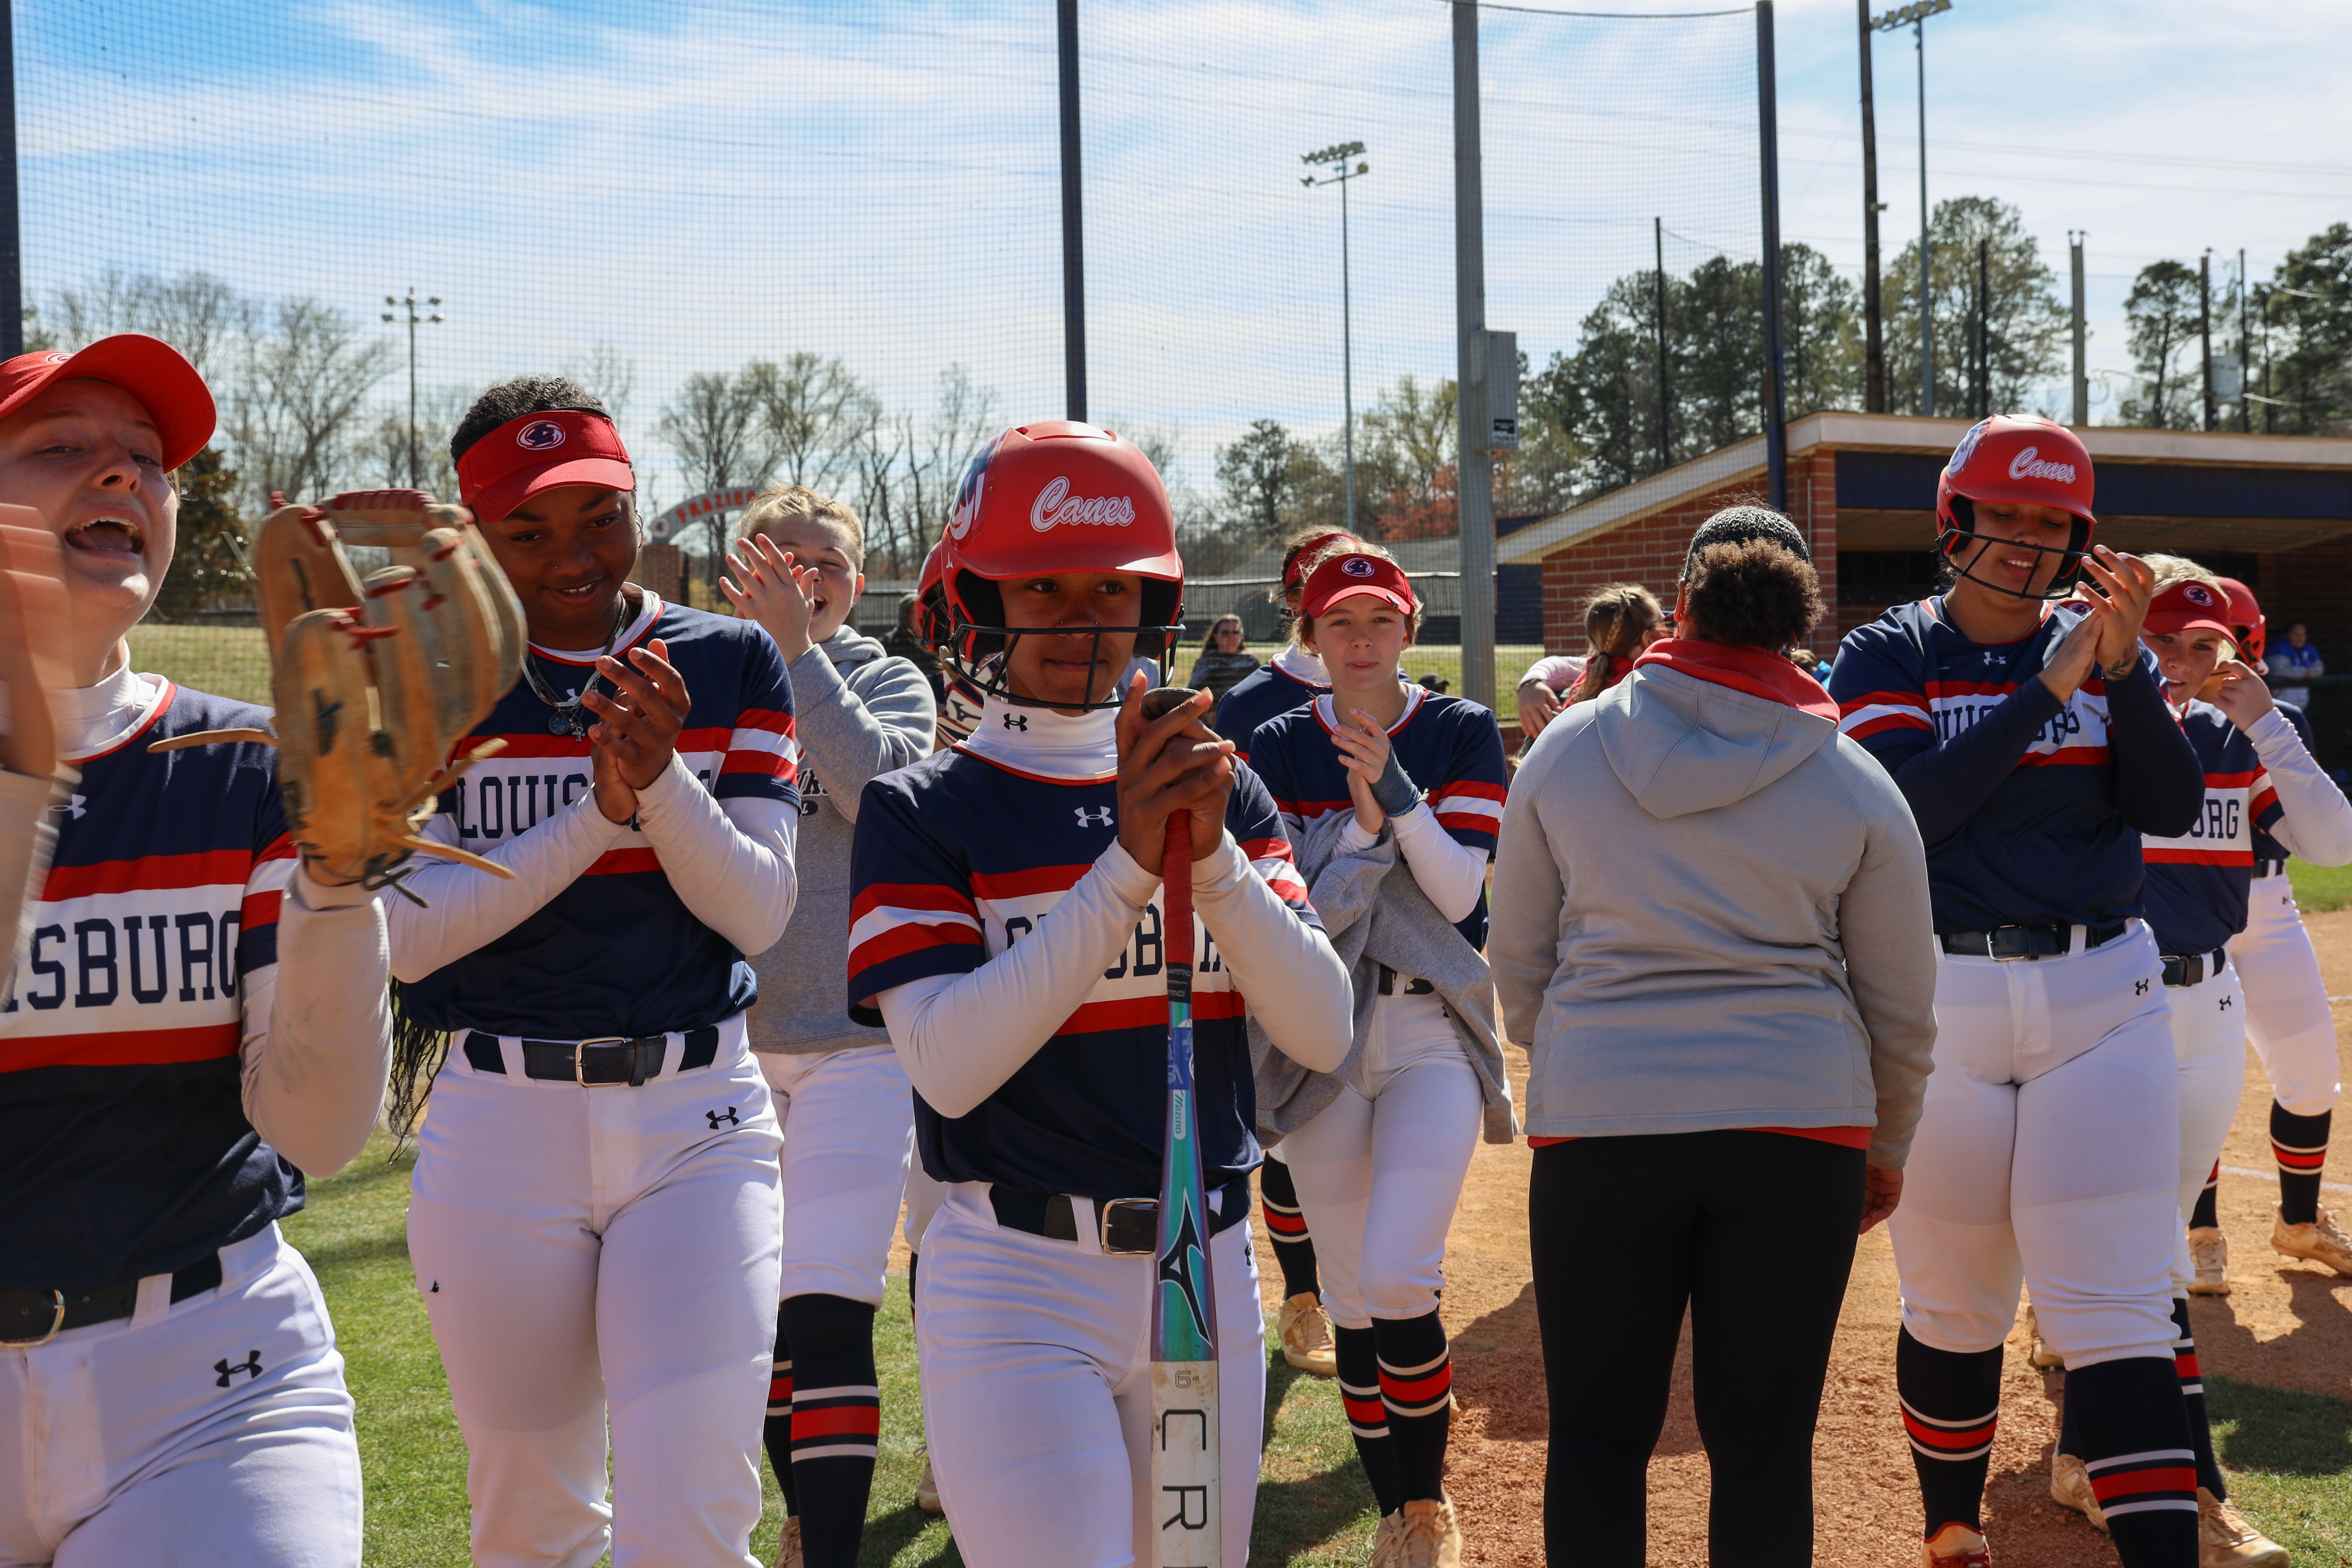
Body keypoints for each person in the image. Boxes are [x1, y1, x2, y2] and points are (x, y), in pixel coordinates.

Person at [846, 420, 1350, 1568]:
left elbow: (1322, 1025)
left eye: (1110, 589)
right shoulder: (925, 808)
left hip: (1201, 1261)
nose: (1081, 618)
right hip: (1014, 1276)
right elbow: (948, 1062)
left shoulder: (1225, 790)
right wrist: (1128, 865)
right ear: (977, 597)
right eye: (1043, 586)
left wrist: (1210, 859)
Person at [389, 377, 799, 1568]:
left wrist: (664, 784)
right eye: (528, 527)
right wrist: (599, 809)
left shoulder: (726, 662)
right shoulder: (435, 675)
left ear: (636, 502)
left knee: (696, 1520)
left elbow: (759, 912)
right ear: (474, 536)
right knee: (533, 1521)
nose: (573, 553)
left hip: (696, 1118)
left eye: (598, 514)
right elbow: (407, 939)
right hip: (496, 1127)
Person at [0, 336, 396, 1567]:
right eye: (62, 447)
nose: (119, 476)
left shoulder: (246, 766)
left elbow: (318, 1134)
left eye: (146, 461)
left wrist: (338, 884)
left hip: (211, 1378)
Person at [1494, 507, 1935, 1567]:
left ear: (1680, 603)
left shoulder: (1567, 744)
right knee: (1764, 1448)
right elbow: (1901, 1002)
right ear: (1793, 625)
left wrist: (1571, 1062)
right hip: (1798, 1124)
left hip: (1601, 1121)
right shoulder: (1851, 774)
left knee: (1598, 1435)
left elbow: (1516, 964)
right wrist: (1884, 1144)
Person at [1827, 414, 2206, 1568]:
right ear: (1956, 520)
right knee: (1954, 1300)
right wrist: (2047, 688)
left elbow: (2168, 806)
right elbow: (1908, 813)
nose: (2024, 541)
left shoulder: (2105, 648)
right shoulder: (1886, 649)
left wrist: (2129, 670)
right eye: (2004, 514)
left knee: (2117, 1301)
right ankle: (1952, 1531)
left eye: (2051, 522)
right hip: (1940, 998)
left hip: (2101, 992)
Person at [2036, 560, 2344, 1564]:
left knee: (2155, 1241)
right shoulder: (2092, 729)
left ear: (2237, 656)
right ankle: (2186, 1484)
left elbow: (2333, 839)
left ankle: (2088, 1455)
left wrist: (2267, 721)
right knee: (2141, 1251)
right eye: (2162, 641)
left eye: (2203, 647)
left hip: (2209, 999)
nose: (2180, 662)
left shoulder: (2231, 740)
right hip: (2106, 998)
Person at [1246, 545, 1517, 1568]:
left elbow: (1456, 898)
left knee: (1402, 1272)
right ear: (1310, 639)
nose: (1359, 641)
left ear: (1409, 630)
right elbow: (1294, 917)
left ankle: (1427, 1502)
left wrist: (1391, 799)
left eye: (1379, 621)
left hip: (1423, 1029)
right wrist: (1364, 845)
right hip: (1317, 1031)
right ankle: (1399, 1510)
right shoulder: (1272, 740)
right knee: (1355, 1296)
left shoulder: (1456, 730)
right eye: (1338, 623)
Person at [720, 484, 937, 1568]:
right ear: (743, 567)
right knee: (755, 1312)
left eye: (830, 564)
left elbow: (889, 794)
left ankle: (833, 1547)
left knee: (826, 1303)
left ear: (857, 584)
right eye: (785, 557)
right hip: (730, 1041)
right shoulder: (708, 667)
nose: (808, 575)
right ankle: (807, 1514)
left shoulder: (888, 676)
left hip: (860, 1040)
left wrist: (798, 656)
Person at [1209, 524, 1361, 1380]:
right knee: (1283, 1127)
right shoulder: (1253, 700)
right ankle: (1304, 1294)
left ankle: (1382, 1314)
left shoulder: (1397, 688)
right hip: (1280, 928)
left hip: (1378, 947)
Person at [2199, 579, 2352, 1285]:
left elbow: (2302, 824)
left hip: (2263, 903)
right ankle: (2198, 1229)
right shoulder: (2138, 717)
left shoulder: (2279, 717)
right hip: (2175, 909)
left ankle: (2297, 1221)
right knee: (2193, 1079)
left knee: (2312, 1074)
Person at [1514, 582, 1667, 739]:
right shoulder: (1649, 688)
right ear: (1648, 640)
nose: (1672, 630)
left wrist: (1530, 684)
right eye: (1665, 622)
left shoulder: (1591, 677)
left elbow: (1564, 666)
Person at [883, 591, 946, 707]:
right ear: (905, 617)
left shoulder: (939, 641)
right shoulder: (889, 644)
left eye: (923, 611)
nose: (920, 617)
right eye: (914, 612)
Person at [1185, 613, 1260, 703]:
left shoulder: (1251, 662)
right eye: (1226, 633)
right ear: (1216, 637)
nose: (1231, 637)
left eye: (1236, 632)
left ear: (1241, 636)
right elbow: (1192, 695)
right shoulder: (1206, 663)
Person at [2268, 621, 2321, 707]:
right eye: (2296, 635)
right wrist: (2304, 673)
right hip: (2280, 705)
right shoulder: (2279, 649)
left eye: (2303, 635)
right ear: (2287, 635)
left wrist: (2311, 673)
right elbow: (2277, 670)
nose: (2301, 638)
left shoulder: (2308, 650)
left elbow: (2319, 668)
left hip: (2301, 706)